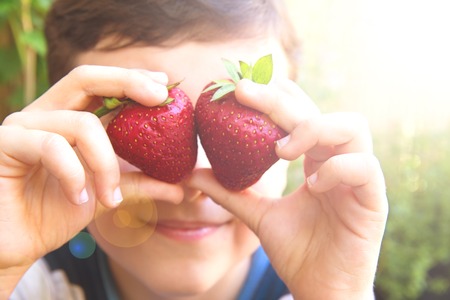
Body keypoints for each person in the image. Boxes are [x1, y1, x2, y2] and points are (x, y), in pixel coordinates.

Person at [0, 0, 388, 299]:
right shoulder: (28, 281)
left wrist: (337, 293)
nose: (195, 176)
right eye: (134, 104)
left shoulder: (318, 285)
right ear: (63, 132)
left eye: (254, 109)